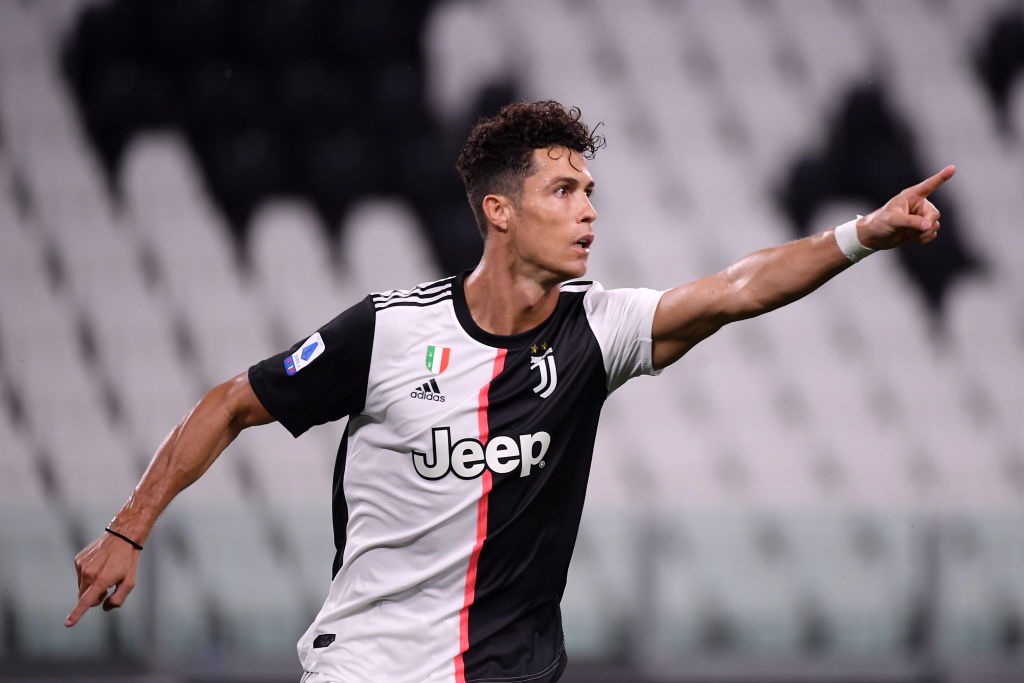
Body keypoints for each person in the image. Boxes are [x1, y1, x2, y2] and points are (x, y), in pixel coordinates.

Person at [66, 100, 954, 682]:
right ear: (500, 210)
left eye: (590, 190)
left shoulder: (597, 327)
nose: (588, 209)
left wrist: (861, 235)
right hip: (369, 664)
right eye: (563, 190)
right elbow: (232, 401)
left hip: (510, 670)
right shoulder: (388, 331)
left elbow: (736, 288)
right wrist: (127, 528)